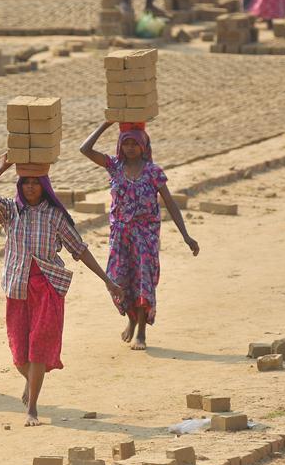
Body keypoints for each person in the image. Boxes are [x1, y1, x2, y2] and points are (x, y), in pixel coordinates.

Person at [0, 156, 123, 427]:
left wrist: (107, 280)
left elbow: (80, 249)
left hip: (47, 287)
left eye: (36, 183)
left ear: (44, 186)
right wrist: (4, 167)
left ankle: (32, 408)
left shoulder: (55, 216)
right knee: (19, 352)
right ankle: (31, 382)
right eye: (26, 182)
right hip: (17, 287)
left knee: (38, 348)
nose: (30, 187)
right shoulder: (10, 211)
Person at [80, 121, 199, 351]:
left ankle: (141, 331)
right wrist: (107, 123)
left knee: (144, 280)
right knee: (117, 279)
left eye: (135, 143)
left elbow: (170, 203)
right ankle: (131, 319)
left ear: (144, 145)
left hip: (146, 236)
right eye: (126, 143)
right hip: (120, 235)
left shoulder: (154, 172)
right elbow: (85, 149)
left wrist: (186, 235)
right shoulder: (114, 167)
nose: (130, 148)